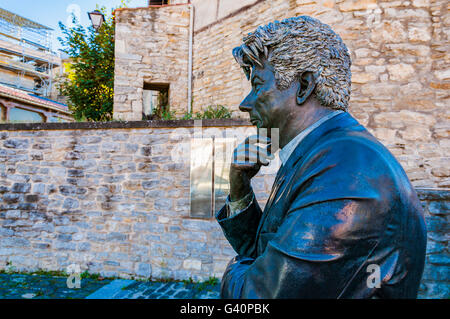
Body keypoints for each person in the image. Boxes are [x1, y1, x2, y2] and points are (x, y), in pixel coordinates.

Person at [215, 16, 427, 299]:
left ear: (303, 85)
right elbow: (270, 253)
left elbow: (259, 295)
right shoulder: (322, 155)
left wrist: (233, 269)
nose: (245, 103)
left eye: (257, 85)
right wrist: (240, 188)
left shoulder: (346, 171)